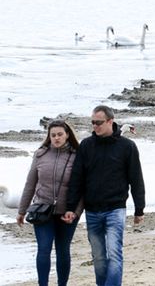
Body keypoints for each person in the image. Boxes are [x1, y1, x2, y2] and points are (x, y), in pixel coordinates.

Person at [63, 106, 144, 286]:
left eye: (98, 123)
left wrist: (140, 208)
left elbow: (136, 178)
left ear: (110, 121)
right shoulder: (86, 145)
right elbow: (77, 178)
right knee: (98, 257)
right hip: (92, 211)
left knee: (115, 253)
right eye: (92, 122)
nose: (95, 126)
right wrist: (70, 207)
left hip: (116, 209)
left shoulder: (127, 146)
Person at [17, 121, 81, 286]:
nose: (56, 138)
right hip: (42, 211)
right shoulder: (40, 154)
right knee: (44, 249)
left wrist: (75, 212)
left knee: (62, 251)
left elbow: (83, 189)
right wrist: (22, 210)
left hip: (66, 213)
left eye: (60, 134)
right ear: (49, 137)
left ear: (67, 135)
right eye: (53, 135)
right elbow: (30, 184)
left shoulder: (77, 156)